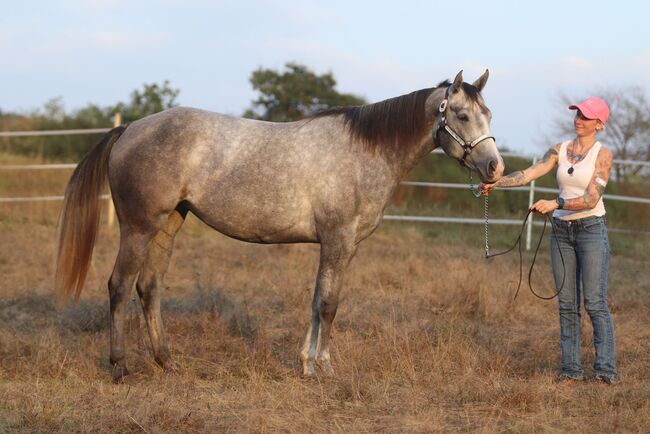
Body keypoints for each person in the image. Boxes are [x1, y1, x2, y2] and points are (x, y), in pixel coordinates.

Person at [480, 97, 617, 384]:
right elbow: (529, 173)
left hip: (591, 231)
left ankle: (605, 369)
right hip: (561, 234)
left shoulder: (603, 155)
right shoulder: (560, 150)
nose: (578, 119)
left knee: (594, 303)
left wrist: (556, 202)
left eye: (586, 116)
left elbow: (593, 198)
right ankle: (570, 369)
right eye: (577, 114)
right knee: (567, 304)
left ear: (599, 125)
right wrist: (497, 183)